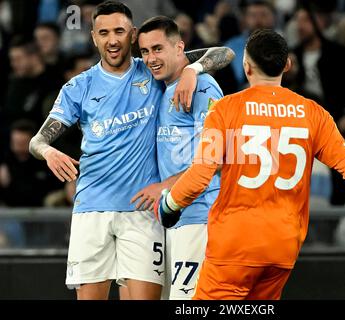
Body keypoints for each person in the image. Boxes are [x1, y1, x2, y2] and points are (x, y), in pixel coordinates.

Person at [155, 29, 345, 300]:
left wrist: (169, 205)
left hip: (236, 245)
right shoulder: (313, 114)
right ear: (287, 65)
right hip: (283, 246)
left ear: (247, 66)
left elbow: (202, 174)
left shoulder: (225, 109)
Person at [28, 1, 233, 300]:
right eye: (104, 32)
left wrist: (194, 69)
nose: (112, 39)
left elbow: (224, 53)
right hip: (91, 208)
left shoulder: (152, 68)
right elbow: (36, 141)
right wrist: (48, 151)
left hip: (142, 212)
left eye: (120, 31)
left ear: (132, 35)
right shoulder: (78, 87)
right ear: (93, 36)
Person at [129, 16, 225, 300]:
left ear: (179, 47)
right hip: (173, 217)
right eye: (144, 51)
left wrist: (166, 186)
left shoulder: (203, 87)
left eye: (157, 49)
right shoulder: (163, 87)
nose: (150, 58)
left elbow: (216, 158)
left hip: (200, 214)